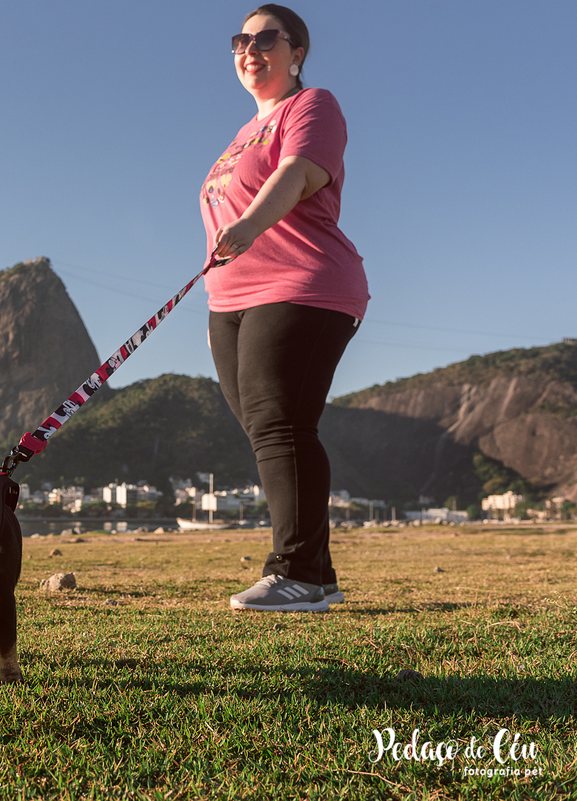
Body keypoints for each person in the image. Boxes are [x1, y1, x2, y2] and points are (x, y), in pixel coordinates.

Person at [201, 5, 368, 612]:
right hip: (231, 300)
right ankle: (315, 574)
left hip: (304, 283)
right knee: (268, 433)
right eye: (240, 40)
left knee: (280, 425)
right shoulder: (240, 135)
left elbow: (299, 174)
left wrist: (247, 224)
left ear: (296, 52)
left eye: (265, 38)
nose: (250, 48)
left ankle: (295, 571)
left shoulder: (313, 105)